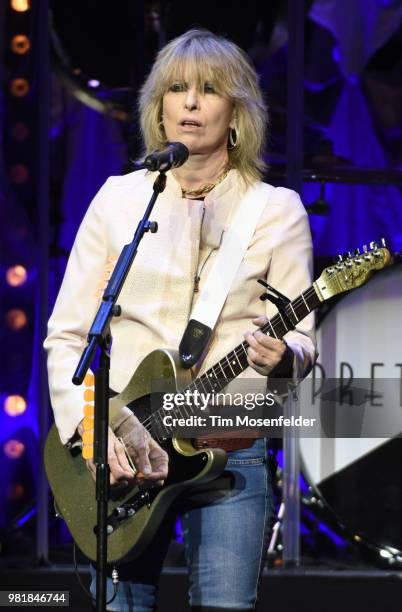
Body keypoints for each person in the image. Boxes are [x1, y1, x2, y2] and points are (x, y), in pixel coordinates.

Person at [45, 28, 316, 612]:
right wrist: (90, 431)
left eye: (209, 90)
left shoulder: (276, 211)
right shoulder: (120, 200)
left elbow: (300, 342)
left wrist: (286, 355)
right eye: (176, 89)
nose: (190, 103)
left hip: (229, 452)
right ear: (158, 108)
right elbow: (69, 335)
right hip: (122, 448)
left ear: (237, 114)